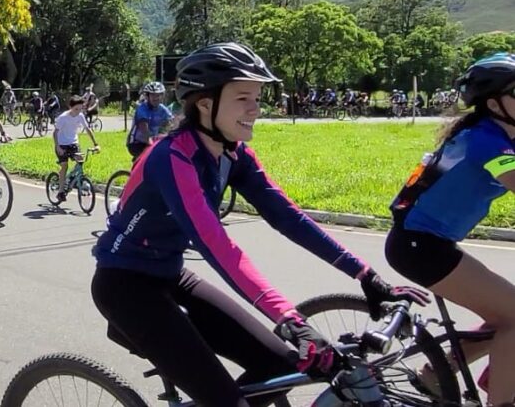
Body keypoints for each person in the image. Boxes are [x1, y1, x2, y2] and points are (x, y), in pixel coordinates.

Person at [93, 42, 428, 407]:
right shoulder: (171, 157)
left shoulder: (233, 154)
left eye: (257, 97)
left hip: (171, 275)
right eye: (243, 98)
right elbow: (218, 246)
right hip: (124, 286)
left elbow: (289, 218)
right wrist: (289, 320)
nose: (256, 108)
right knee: (226, 400)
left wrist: (366, 275)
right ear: (205, 104)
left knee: (278, 367)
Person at [386, 53, 515, 403]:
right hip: (420, 247)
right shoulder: (486, 141)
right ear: (495, 103)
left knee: (506, 314)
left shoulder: (500, 133)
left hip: (429, 242)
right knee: (514, 319)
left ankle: (436, 371)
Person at [52, 95, 99, 203]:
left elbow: (88, 129)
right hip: (62, 144)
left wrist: (96, 144)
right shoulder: (63, 118)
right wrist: (57, 146)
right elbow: (55, 132)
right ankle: (60, 192)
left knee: (80, 161)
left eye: (80, 108)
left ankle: (73, 180)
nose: (78, 111)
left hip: (73, 143)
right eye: (76, 109)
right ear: (70, 107)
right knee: (64, 166)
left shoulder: (80, 116)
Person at [126, 82, 173, 162]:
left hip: (152, 141)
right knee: (152, 161)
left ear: (162, 96)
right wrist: (153, 146)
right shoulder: (142, 109)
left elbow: (172, 123)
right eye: (153, 95)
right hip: (137, 143)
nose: (156, 98)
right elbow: (145, 133)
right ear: (147, 96)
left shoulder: (163, 109)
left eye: (158, 95)